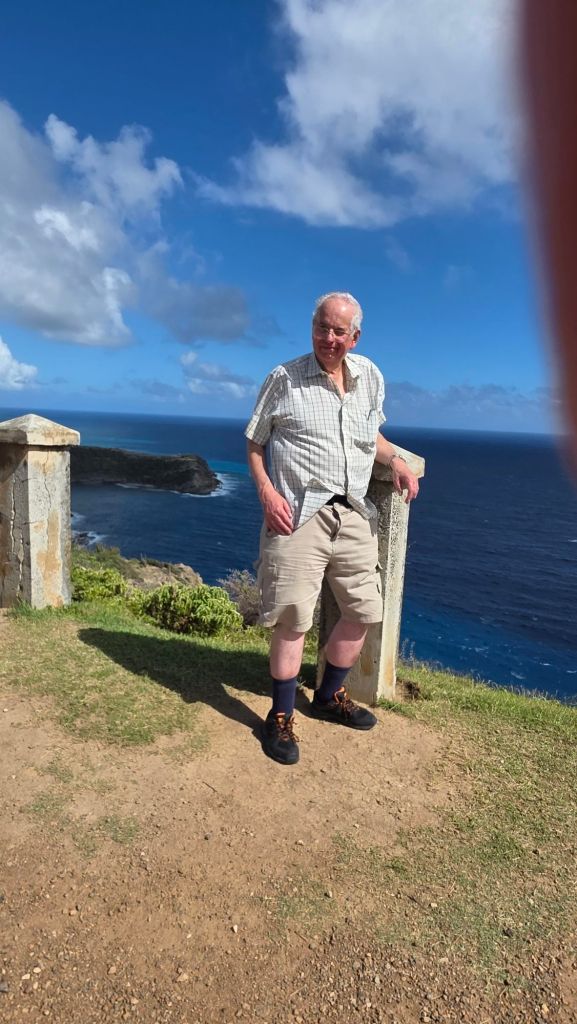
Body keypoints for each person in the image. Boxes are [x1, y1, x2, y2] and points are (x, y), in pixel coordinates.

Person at [245, 292, 419, 765]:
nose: (328, 338)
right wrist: (267, 492)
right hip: (298, 513)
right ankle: (280, 716)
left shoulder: (371, 377)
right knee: (292, 619)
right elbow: (255, 443)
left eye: (339, 331)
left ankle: (327, 696)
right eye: (322, 327)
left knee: (364, 609)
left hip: (354, 512)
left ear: (354, 337)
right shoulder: (284, 378)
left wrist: (396, 460)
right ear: (312, 328)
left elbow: (371, 435)